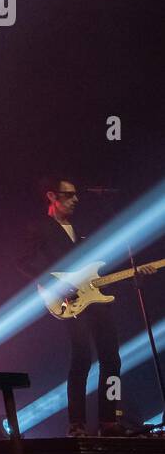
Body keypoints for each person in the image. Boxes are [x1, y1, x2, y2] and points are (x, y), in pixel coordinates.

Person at [16, 175, 154, 436]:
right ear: (52, 197)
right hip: (67, 300)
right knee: (81, 358)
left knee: (112, 359)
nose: (76, 199)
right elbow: (23, 262)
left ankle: (109, 421)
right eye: (69, 195)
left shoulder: (81, 228)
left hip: (94, 296)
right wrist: (55, 285)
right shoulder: (39, 228)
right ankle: (76, 424)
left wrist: (133, 272)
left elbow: (97, 267)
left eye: (76, 194)